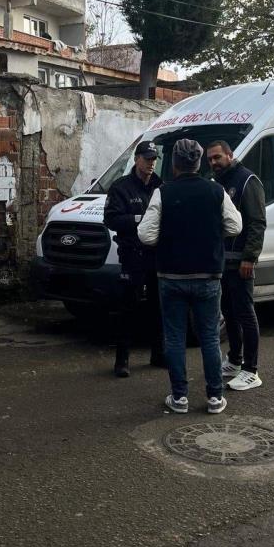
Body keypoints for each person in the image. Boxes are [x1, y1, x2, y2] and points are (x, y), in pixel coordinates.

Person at [138, 138, 241, 415]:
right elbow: (235, 226)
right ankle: (215, 397)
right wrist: (211, 232)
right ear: (198, 163)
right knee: (209, 337)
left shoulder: (162, 192)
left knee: (174, 338)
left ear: (174, 164)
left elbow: (146, 235)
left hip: (171, 276)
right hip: (208, 275)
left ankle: (179, 397)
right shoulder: (216, 190)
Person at [207, 140, 267, 392]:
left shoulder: (247, 180)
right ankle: (234, 360)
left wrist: (249, 257)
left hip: (241, 261)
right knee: (229, 313)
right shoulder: (217, 182)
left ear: (230, 155)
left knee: (245, 313)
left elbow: (257, 223)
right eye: (210, 159)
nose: (213, 162)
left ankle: (251, 371)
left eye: (217, 157)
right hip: (223, 261)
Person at [103, 140, 165, 377]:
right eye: (147, 158)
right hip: (132, 255)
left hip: (156, 255)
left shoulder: (160, 186)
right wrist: (140, 219)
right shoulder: (122, 187)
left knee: (158, 306)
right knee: (128, 307)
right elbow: (111, 219)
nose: (151, 163)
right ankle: (122, 360)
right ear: (137, 159)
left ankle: (158, 354)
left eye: (154, 159)